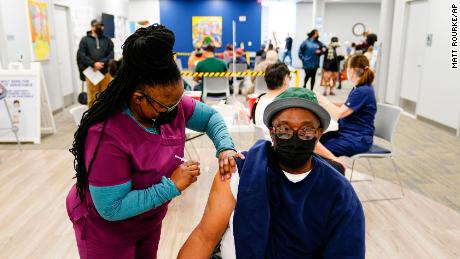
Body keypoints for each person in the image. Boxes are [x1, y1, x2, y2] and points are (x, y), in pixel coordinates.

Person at [66, 24, 243, 259]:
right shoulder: (107, 133)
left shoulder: (168, 104)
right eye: (167, 105)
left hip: (147, 219)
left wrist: (225, 147)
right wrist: (171, 186)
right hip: (106, 229)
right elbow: (112, 208)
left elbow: (211, 117)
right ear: (139, 98)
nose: (176, 110)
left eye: (178, 99)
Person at [178, 87, 365, 259]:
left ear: (319, 133)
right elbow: (204, 238)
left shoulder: (339, 193)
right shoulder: (240, 172)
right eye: (284, 129)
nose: (294, 137)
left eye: (306, 130)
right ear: (271, 132)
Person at [316, 54, 377, 157]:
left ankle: (333, 170)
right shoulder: (360, 88)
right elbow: (346, 106)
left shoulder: (362, 91)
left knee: (318, 148)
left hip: (356, 138)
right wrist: (323, 103)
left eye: (347, 67)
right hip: (349, 134)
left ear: (352, 70)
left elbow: (340, 113)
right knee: (314, 140)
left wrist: (322, 99)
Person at [77, 19, 114, 107]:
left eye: (101, 26)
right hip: (91, 73)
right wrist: (93, 64)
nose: (100, 28)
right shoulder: (84, 40)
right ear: (92, 27)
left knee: (106, 97)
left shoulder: (107, 40)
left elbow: (111, 54)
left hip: (105, 72)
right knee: (92, 98)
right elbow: (81, 55)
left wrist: (101, 63)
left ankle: (106, 118)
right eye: (97, 26)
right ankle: (92, 119)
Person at [252, 62, 290, 127]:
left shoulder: (259, 99)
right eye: (289, 77)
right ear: (285, 80)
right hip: (275, 136)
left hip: (261, 136)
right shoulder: (282, 103)